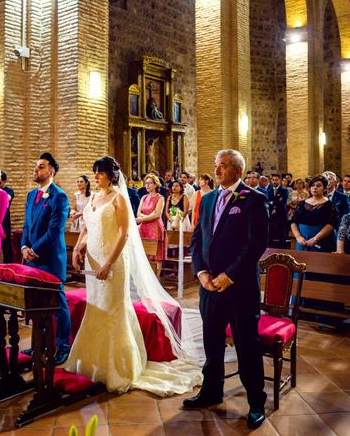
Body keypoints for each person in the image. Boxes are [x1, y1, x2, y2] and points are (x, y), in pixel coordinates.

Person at [68, 156, 201, 395]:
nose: (96, 176)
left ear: (111, 175)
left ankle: (119, 367)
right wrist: (78, 248)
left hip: (114, 261)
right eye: (95, 172)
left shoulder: (118, 198)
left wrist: (109, 262)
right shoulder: (94, 198)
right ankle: (93, 362)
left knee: (113, 309)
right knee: (95, 307)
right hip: (93, 259)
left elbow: (123, 234)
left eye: (100, 172)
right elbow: (88, 227)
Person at [186, 149, 268, 429]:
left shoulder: (254, 200)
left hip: (239, 286)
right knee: (211, 340)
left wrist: (228, 275)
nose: (218, 171)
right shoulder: (207, 200)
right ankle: (211, 390)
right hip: (209, 286)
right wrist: (201, 272)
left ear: (238, 170)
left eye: (223, 166)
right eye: (216, 165)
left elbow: (254, 245)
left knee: (246, 345)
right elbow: (197, 239)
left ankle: (256, 401)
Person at [20, 153, 71, 365]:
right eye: (36, 166)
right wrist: (24, 246)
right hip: (32, 258)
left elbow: (55, 231)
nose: (36, 170)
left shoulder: (59, 197)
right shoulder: (32, 195)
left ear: (51, 171)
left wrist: (34, 248)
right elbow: (26, 225)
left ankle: (63, 346)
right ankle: (40, 341)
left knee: (58, 304)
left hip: (49, 258)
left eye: (41, 167)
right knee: (36, 303)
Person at [291, 175, 339, 252]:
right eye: (312, 185)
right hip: (302, 240)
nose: (315, 187)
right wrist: (298, 237)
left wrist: (315, 238)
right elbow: (293, 222)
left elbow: (331, 224)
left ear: (324, 188)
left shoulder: (330, 205)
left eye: (318, 185)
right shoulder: (302, 203)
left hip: (322, 241)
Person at [136, 173, 166, 266]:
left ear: (156, 184)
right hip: (143, 228)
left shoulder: (160, 198)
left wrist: (142, 219)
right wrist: (145, 217)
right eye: (146, 183)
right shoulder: (144, 197)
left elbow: (157, 214)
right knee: (144, 254)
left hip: (155, 227)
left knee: (156, 255)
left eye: (150, 183)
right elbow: (138, 213)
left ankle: (156, 278)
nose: (147, 185)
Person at [267, 174, 290, 248]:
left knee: (281, 236)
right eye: (273, 180)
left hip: (281, 216)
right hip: (271, 216)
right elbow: (267, 202)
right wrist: (274, 202)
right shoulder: (269, 190)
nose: (274, 182)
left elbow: (282, 203)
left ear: (279, 180)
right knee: (270, 236)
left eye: (276, 180)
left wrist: (272, 202)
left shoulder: (284, 190)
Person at [0, 172, 15, 263]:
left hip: (4, 221)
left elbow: (6, 199)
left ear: (4, 181)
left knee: (6, 245)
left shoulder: (9, 191)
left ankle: (8, 265)